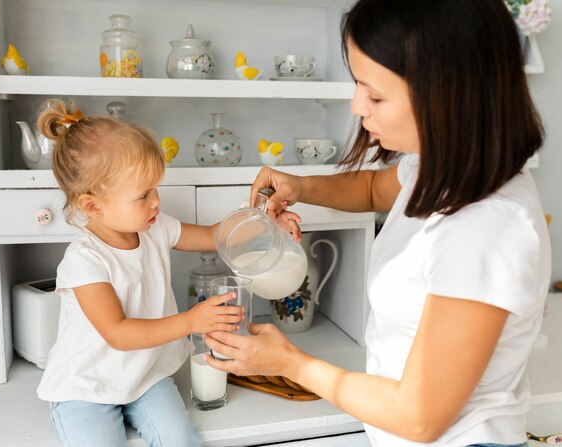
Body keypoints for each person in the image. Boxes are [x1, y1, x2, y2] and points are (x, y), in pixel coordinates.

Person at [205, 1, 551, 446]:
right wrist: (300, 187)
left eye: (375, 94)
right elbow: (372, 188)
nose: (357, 107)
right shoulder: (438, 167)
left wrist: (290, 362)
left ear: (446, 92)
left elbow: (420, 417)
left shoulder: (485, 228)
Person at [35, 99, 248, 447]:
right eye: (143, 195)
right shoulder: (84, 260)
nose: (156, 202)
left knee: (180, 439)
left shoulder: (155, 227)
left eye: (155, 189)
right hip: (86, 386)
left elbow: (213, 236)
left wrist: (263, 219)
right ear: (92, 204)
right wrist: (192, 322)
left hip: (146, 375)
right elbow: (118, 333)